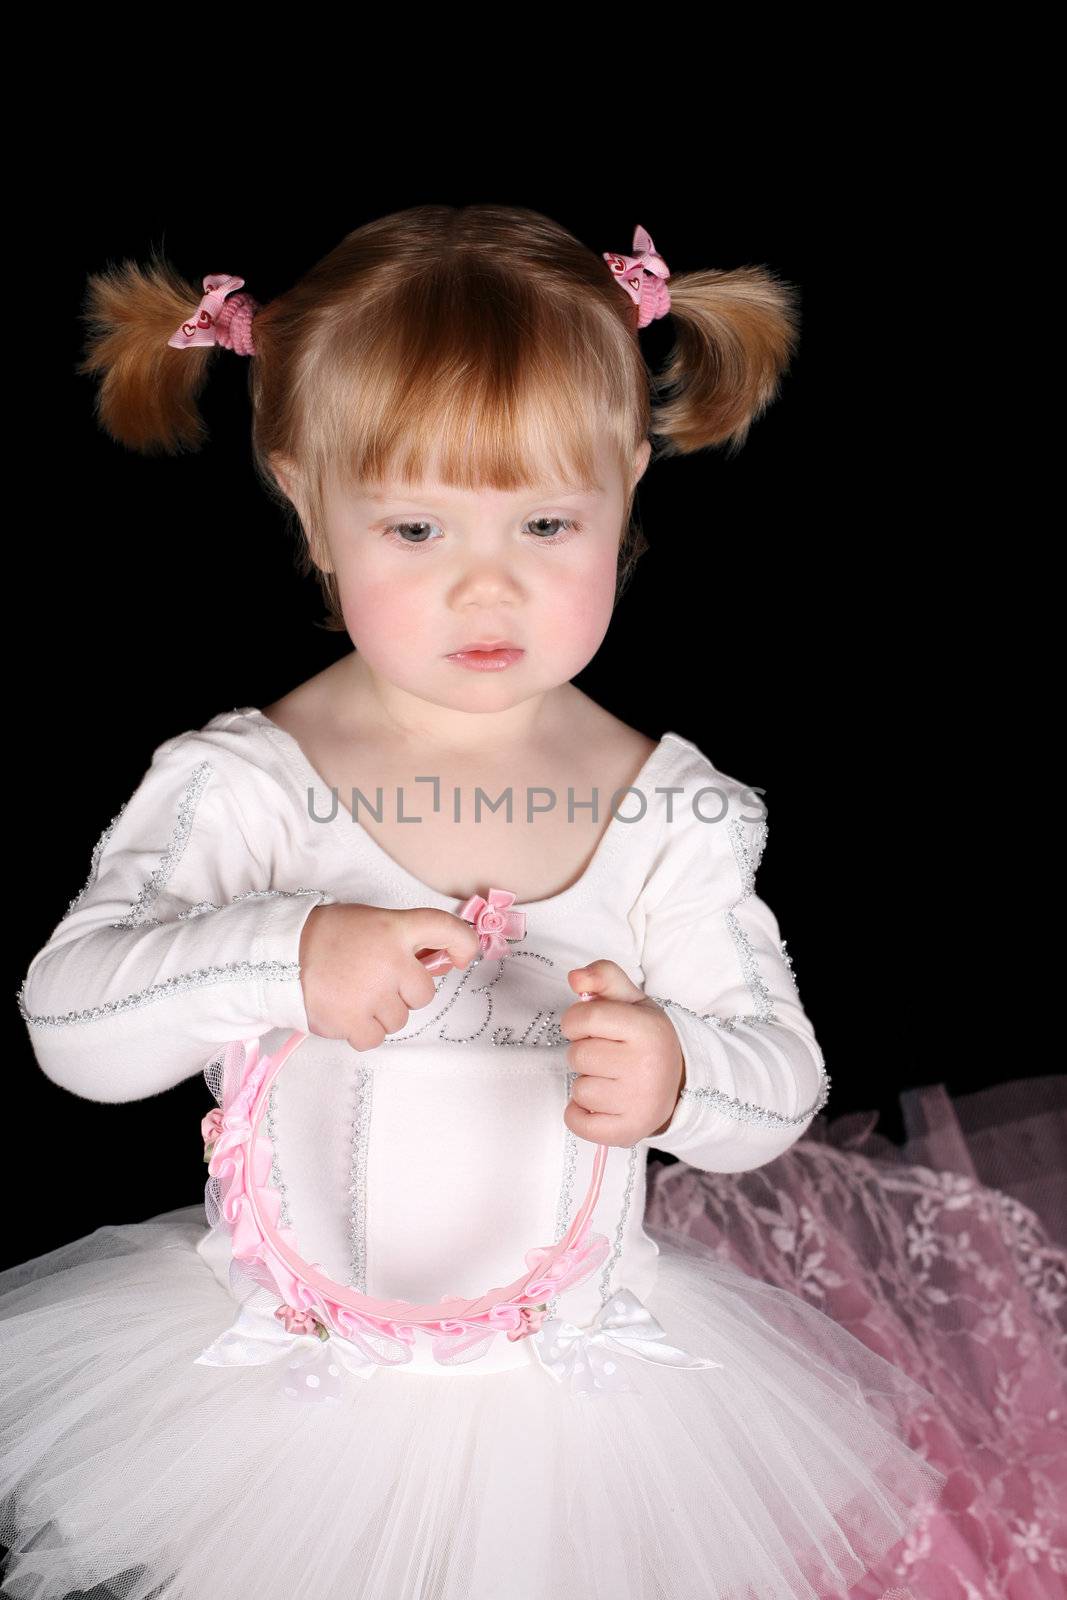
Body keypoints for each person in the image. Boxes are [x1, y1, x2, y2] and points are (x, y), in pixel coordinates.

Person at [1, 205, 947, 1600]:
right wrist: (285, 956)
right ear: (303, 495)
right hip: (285, 1408)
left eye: (550, 520)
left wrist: (683, 1076)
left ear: (630, 483)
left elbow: (779, 1086)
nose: (487, 581)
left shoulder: (667, 814)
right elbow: (70, 1023)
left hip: (574, 1419)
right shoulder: (252, 788)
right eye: (417, 525)